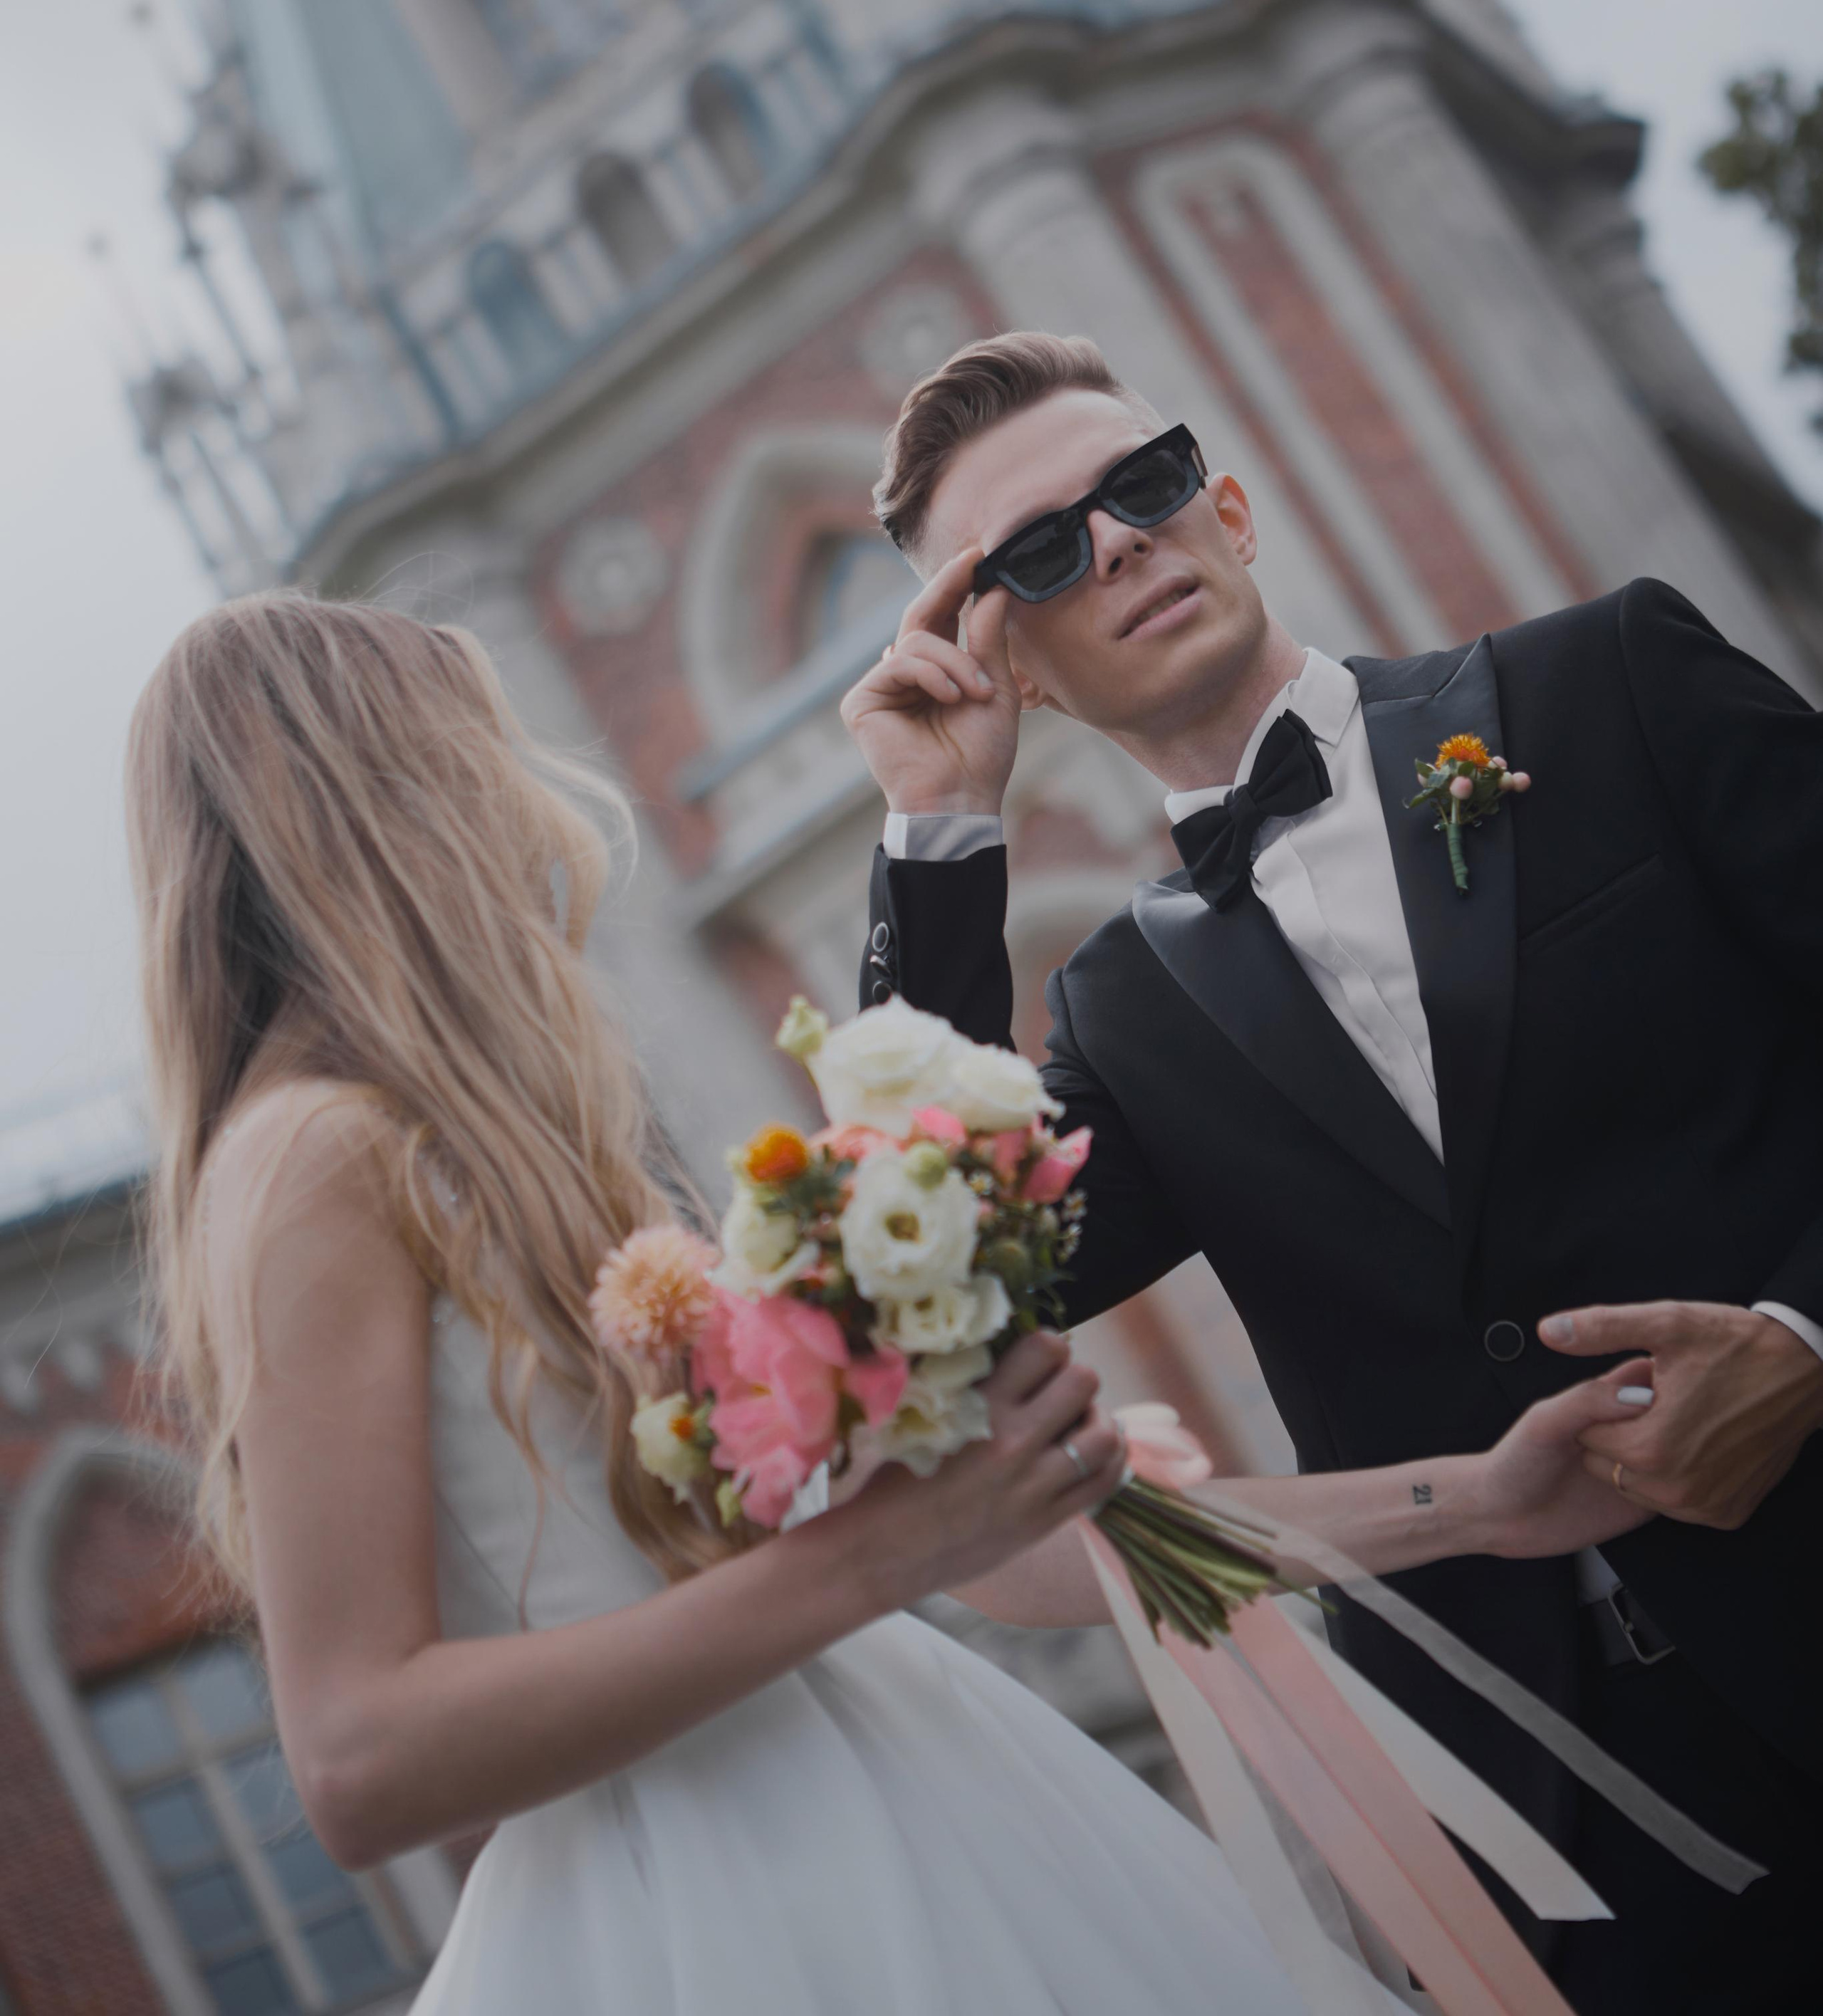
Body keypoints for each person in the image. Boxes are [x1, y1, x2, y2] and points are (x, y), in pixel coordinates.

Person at [132, 593, 1654, 2016]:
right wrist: (880, 1555)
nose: (524, 811)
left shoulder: (500, 1153)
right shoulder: (308, 1158)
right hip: (708, 1909)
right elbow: (357, 1753)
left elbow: (1013, 1548)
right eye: (472, 762)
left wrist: (1475, 1500)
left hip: (920, 1781)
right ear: (374, 801)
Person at [842, 330, 1823, 2016]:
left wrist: (1806, 1339)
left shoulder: (1610, 682)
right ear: (1021, 671)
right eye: (1038, 552)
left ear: (1221, 500)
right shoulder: (1119, 1017)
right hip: (1581, 1824)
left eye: (1139, 487)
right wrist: (938, 829)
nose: (1122, 540)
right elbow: (923, 1313)